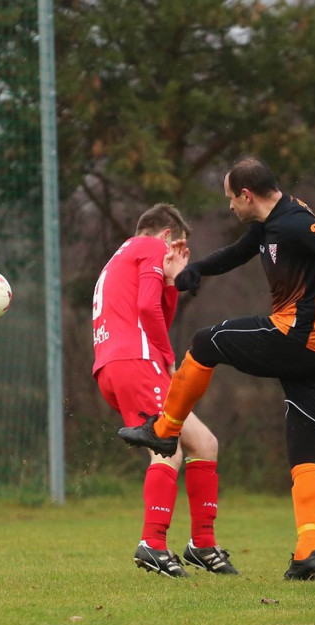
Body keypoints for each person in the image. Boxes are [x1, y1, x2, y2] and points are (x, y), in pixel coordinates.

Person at [119, 155, 315, 580]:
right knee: (302, 453)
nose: (229, 208)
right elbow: (239, 253)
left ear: (247, 195)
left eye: (230, 200)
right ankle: (307, 555)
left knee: (207, 341)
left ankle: (164, 431)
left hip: (301, 339)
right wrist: (198, 270)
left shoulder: (294, 222)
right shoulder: (268, 224)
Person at [93, 203, 238, 578]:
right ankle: (152, 544)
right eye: (182, 248)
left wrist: (171, 282)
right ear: (167, 237)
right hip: (136, 361)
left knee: (204, 444)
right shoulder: (153, 248)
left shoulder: (123, 255)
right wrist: (169, 357)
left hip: (114, 365)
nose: (183, 257)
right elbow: (145, 308)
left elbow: (156, 308)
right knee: (166, 447)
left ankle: (202, 544)